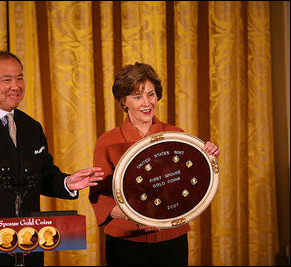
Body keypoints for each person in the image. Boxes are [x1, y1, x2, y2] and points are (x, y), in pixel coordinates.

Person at [0, 51, 104, 266]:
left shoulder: (31, 127)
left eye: (20, 78)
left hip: (30, 249)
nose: (15, 86)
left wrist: (67, 182)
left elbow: (42, 174)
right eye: (6, 80)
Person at [89, 62, 220, 266]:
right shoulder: (107, 142)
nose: (146, 103)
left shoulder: (177, 135)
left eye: (151, 94)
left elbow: (189, 180)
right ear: (123, 101)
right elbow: (99, 196)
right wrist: (132, 213)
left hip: (172, 239)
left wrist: (207, 159)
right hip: (126, 241)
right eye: (137, 96)